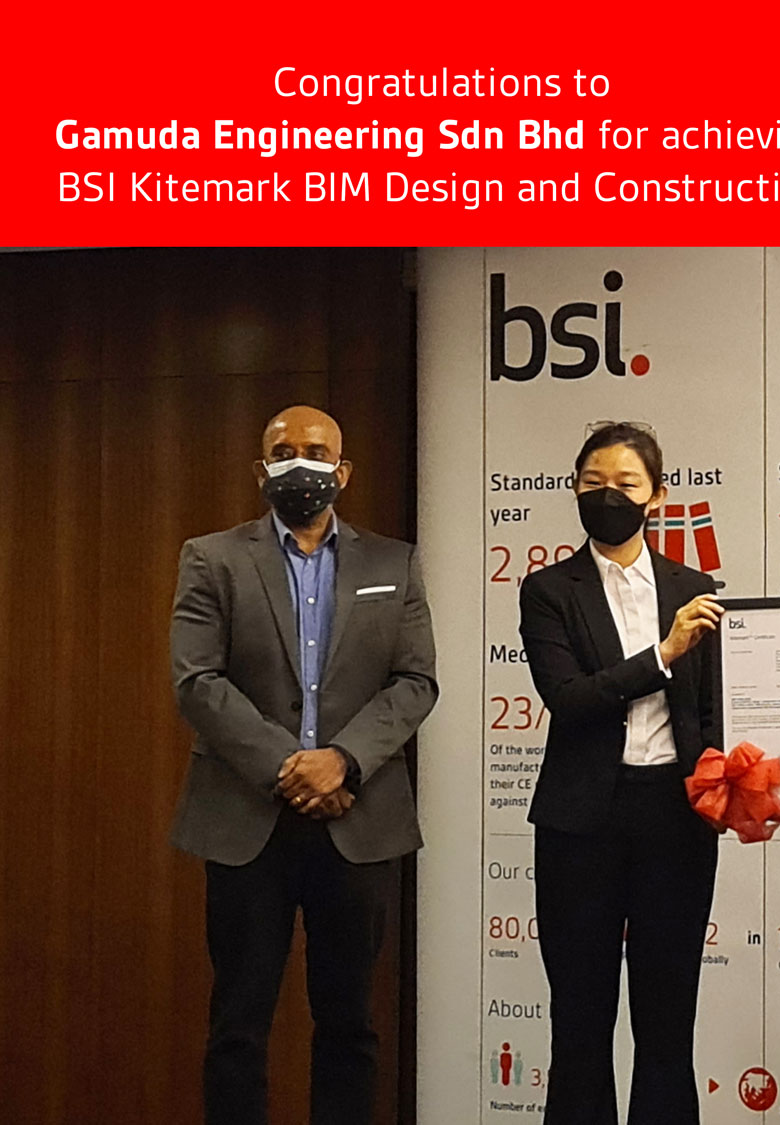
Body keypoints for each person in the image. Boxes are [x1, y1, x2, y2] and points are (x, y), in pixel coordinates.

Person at [170, 405, 438, 1125]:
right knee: (237, 1026)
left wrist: (342, 762)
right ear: (261, 471)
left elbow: (415, 682)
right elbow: (196, 681)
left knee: (351, 1025)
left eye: (316, 451)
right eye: (284, 450)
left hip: (359, 819)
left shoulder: (394, 562)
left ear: (343, 471)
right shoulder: (212, 557)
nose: (300, 462)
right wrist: (292, 766)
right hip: (245, 819)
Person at [519, 421, 725, 1125]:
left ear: (657, 495)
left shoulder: (693, 587)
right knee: (579, 1021)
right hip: (581, 822)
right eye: (593, 483)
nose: (608, 495)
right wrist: (663, 653)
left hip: (675, 819)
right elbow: (570, 698)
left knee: (668, 1022)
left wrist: (732, 778)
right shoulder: (548, 589)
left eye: (626, 483)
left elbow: (713, 708)